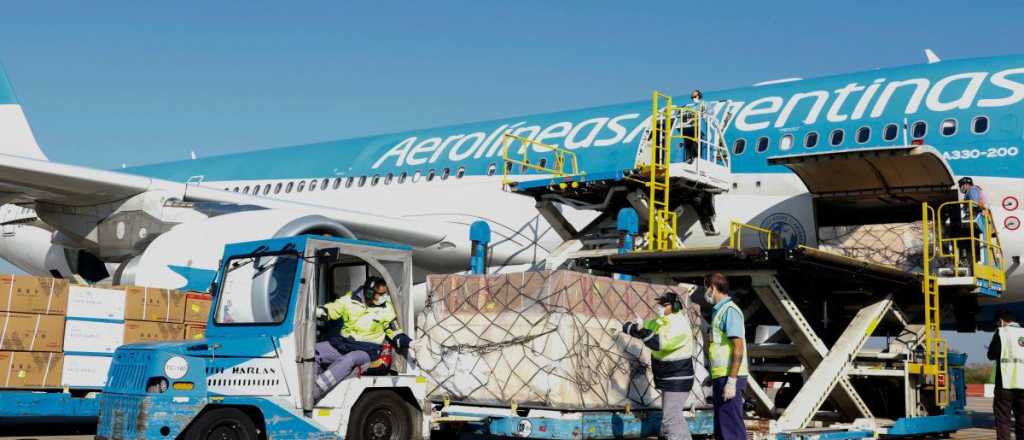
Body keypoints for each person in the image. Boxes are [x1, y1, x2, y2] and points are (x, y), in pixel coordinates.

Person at [313, 276, 412, 401]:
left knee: (350, 359)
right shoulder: (349, 300)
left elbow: (395, 333)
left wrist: (409, 343)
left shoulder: (386, 309)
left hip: (368, 351)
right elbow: (334, 308)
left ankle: (315, 392)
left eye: (385, 293)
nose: (384, 297)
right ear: (369, 293)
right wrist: (322, 311)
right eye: (380, 294)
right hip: (344, 344)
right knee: (313, 351)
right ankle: (308, 386)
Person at [622, 291, 695, 440]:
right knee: (673, 418)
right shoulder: (661, 322)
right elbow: (645, 329)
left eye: (664, 305)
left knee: (671, 419)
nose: (660, 307)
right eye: (660, 304)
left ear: (675, 306)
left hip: (678, 378)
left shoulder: (679, 325)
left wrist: (642, 331)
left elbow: (658, 343)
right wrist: (631, 327)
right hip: (669, 378)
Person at [704, 272, 749, 440]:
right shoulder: (719, 311)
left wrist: (731, 381)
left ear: (712, 288)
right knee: (723, 429)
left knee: (731, 430)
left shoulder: (730, 311)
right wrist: (713, 374)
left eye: (706, 288)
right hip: (721, 376)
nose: (705, 292)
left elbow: (738, 347)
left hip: (730, 378)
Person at [988, 310, 1024, 440]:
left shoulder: (1001, 332)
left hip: (1005, 384)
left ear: (1001, 321)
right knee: (1022, 420)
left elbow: (991, 354)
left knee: (1003, 421)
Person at [959, 176, 989, 264]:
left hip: (976, 216)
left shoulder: (972, 190)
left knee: (964, 236)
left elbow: (974, 204)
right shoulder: (975, 190)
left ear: (965, 185)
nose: (961, 188)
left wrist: (967, 211)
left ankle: (967, 259)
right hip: (978, 216)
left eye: (961, 186)